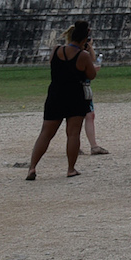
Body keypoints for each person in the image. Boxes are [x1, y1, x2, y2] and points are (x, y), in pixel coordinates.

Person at [26, 21, 98, 179]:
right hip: (75, 95)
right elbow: (91, 75)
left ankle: (32, 167)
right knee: (73, 134)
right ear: (84, 39)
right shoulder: (83, 56)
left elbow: (53, 66)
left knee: (45, 133)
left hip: (55, 94)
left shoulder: (56, 50)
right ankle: (70, 168)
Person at [82, 46, 108, 154]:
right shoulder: (79, 53)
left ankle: (92, 146)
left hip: (82, 87)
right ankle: (93, 146)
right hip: (81, 88)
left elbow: (91, 58)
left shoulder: (76, 52)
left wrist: (90, 47)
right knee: (84, 116)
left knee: (88, 116)